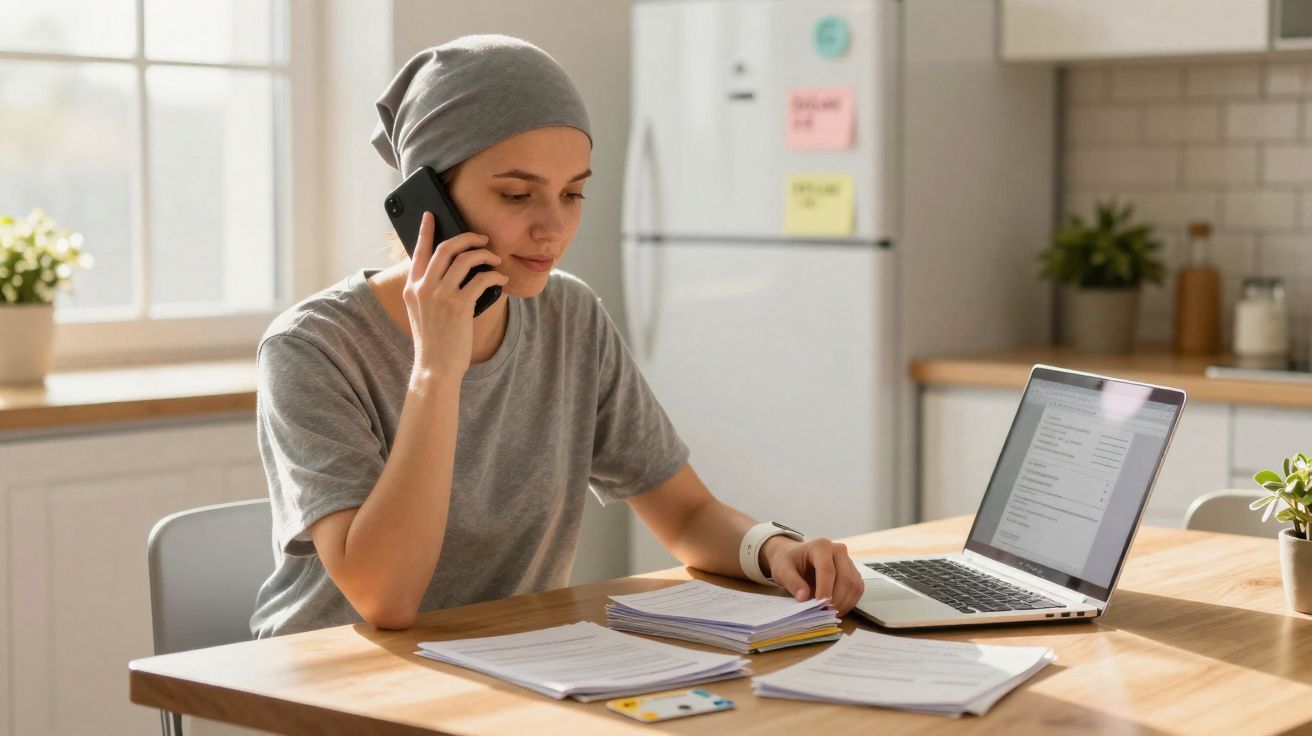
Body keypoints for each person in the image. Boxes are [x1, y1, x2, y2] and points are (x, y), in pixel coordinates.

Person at [250, 34, 864, 638]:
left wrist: (773, 549)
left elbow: (687, 512)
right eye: (518, 194)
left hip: (515, 665)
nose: (554, 227)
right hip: (332, 691)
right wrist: (437, 367)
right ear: (425, 200)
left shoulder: (570, 315)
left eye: (573, 193)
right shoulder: (312, 349)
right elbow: (387, 599)